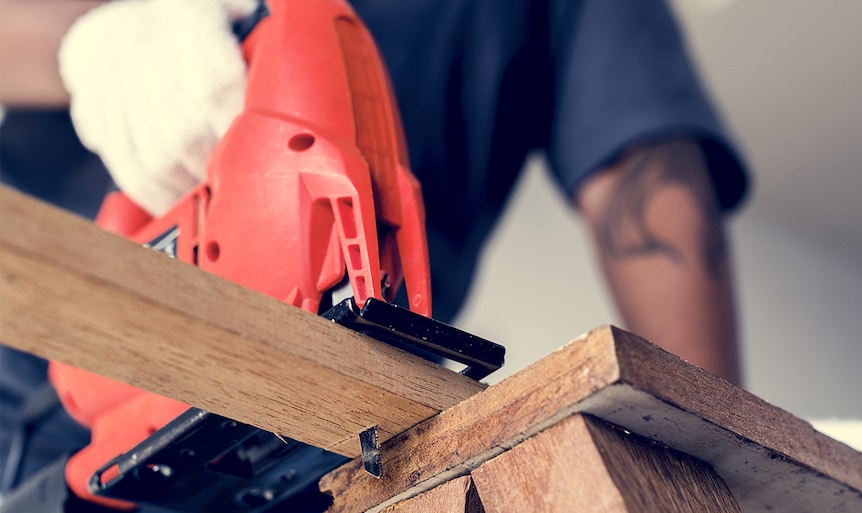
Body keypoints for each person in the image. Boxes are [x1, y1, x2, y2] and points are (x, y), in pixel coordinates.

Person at [0, 0, 749, 508]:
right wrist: (94, 37)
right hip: (32, 371)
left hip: (325, 420)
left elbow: (653, 193)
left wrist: (710, 455)